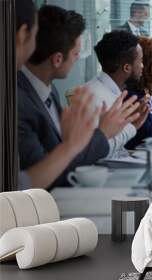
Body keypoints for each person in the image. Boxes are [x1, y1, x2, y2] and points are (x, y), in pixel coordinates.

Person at [18, 5, 139, 189]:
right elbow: (40, 177)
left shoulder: (48, 90)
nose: (77, 59)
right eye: (76, 54)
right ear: (57, 59)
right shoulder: (20, 103)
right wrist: (102, 132)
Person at [86, 30, 149, 158]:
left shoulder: (114, 92)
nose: (142, 66)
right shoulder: (94, 98)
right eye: (140, 61)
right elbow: (97, 152)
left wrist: (133, 125)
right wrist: (132, 127)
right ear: (127, 68)